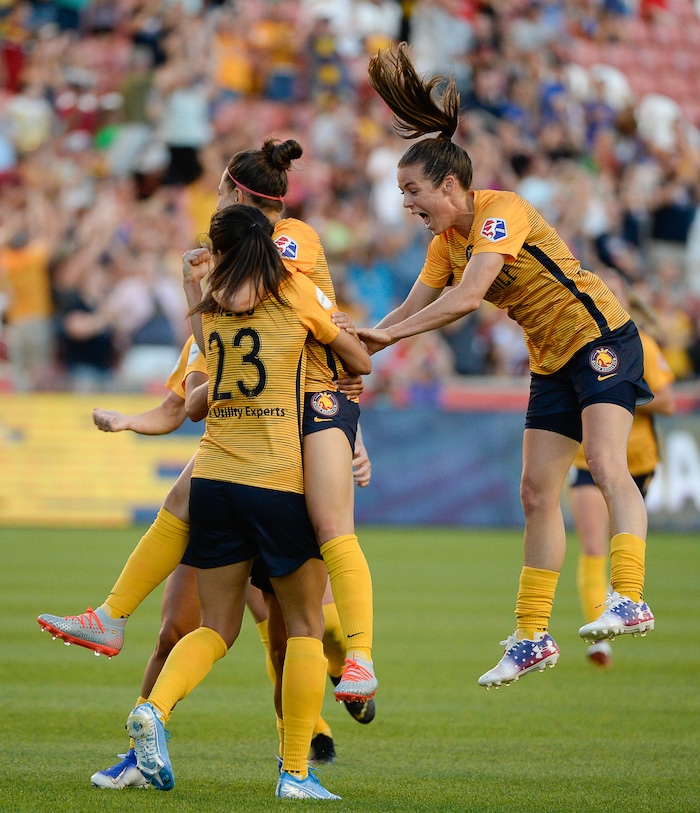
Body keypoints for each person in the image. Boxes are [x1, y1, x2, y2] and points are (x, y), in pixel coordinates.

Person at [38, 138, 378, 707]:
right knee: (209, 614)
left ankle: (347, 669)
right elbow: (201, 375)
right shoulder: (226, 286)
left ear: (236, 194)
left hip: (300, 416)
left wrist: (198, 284)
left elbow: (280, 321)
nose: (210, 210)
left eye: (218, 192)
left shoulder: (283, 249)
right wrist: (140, 412)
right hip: (256, 431)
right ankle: (142, 713)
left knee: (301, 590)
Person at [357, 42, 654, 689]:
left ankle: (629, 595)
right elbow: (412, 306)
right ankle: (531, 636)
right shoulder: (445, 241)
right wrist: (362, 342)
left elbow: (464, 300)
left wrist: (376, 343)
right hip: (552, 361)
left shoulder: (501, 212)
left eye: (413, 190)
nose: (408, 203)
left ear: (451, 185)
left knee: (605, 463)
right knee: (535, 493)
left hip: (601, 336)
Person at [125, 204, 371, 799]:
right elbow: (358, 362)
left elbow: (195, 399)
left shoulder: (209, 314)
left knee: (216, 627)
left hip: (212, 484)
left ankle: (154, 709)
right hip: (277, 482)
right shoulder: (295, 297)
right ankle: (295, 772)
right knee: (307, 626)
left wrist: (192, 283)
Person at [569, 269, 675, 668]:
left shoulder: (640, 343)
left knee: (621, 540)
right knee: (593, 545)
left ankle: (625, 598)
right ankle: (600, 633)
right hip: (588, 459)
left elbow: (666, 401)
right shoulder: (577, 342)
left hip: (636, 461)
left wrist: (613, 395)